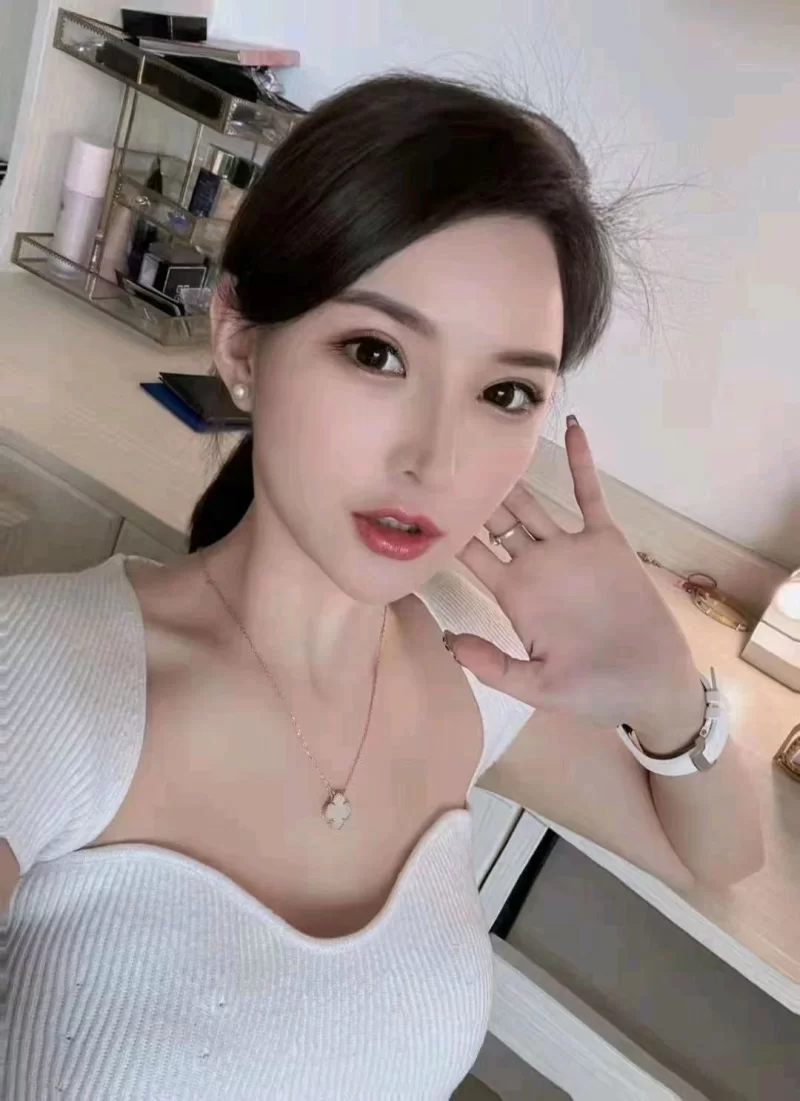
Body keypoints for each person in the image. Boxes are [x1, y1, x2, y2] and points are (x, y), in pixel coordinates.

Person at [0, 74, 763, 1101]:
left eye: (505, 392)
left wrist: (667, 686)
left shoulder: (469, 659)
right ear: (240, 339)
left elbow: (717, 854)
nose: (435, 460)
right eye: (376, 352)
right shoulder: (43, 679)